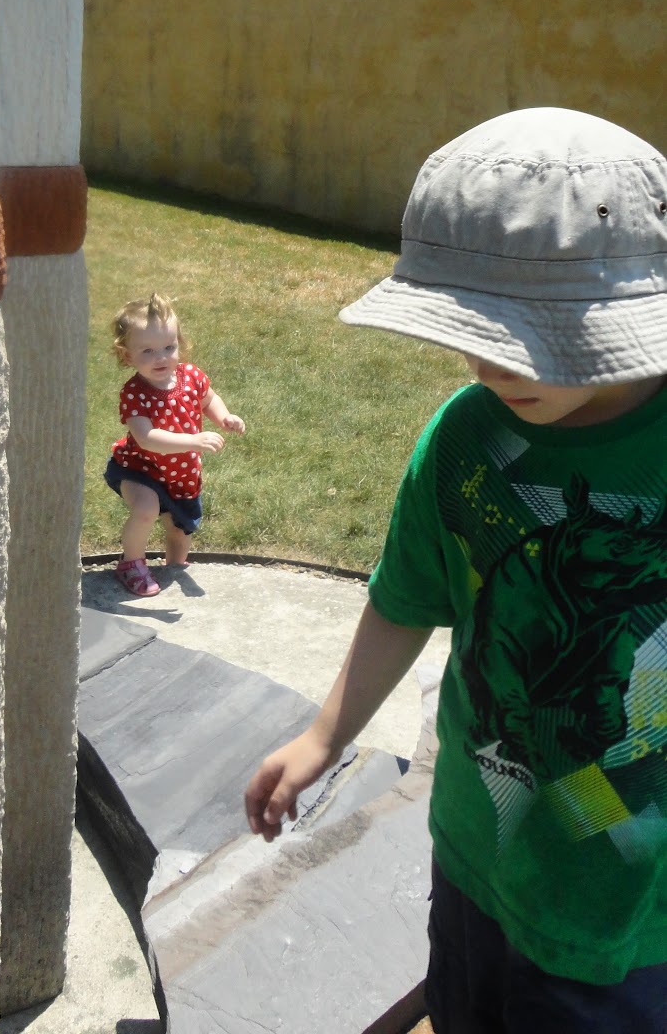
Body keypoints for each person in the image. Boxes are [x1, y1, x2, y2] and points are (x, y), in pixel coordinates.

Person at [244, 108, 667, 1033]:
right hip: (480, 853)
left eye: (534, 332)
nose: (490, 363)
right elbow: (405, 599)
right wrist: (324, 735)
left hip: (634, 918)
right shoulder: (466, 441)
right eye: (472, 328)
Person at [106, 292, 245, 597]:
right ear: (127, 356)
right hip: (140, 468)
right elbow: (147, 438)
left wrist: (224, 417)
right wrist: (193, 441)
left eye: (169, 347)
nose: (161, 357)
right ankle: (131, 564)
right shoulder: (134, 393)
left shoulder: (191, 376)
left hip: (182, 474)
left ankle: (175, 566)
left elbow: (209, 400)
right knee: (146, 509)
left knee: (180, 530)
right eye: (148, 351)